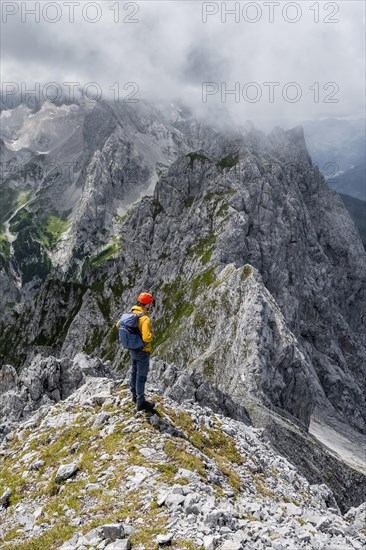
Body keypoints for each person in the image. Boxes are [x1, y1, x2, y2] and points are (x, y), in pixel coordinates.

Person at [129, 292, 155, 412]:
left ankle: (134, 396)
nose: (151, 307)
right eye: (150, 304)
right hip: (143, 351)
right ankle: (141, 402)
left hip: (133, 349)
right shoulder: (145, 319)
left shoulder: (131, 314)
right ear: (147, 304)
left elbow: (119, 325)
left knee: (133, 372)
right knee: (141, 377)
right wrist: (151, 335)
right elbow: (146, 338)